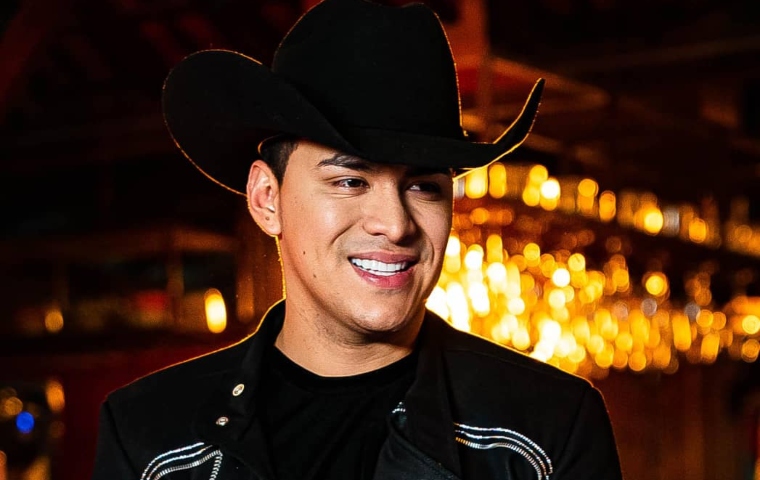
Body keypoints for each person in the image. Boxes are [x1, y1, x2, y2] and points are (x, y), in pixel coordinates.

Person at [91, 0, 623, 479]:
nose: (395, 224)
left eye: (423, 186)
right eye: (350, 181)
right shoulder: (149, 437)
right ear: (267, 198)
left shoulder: (547, 430)